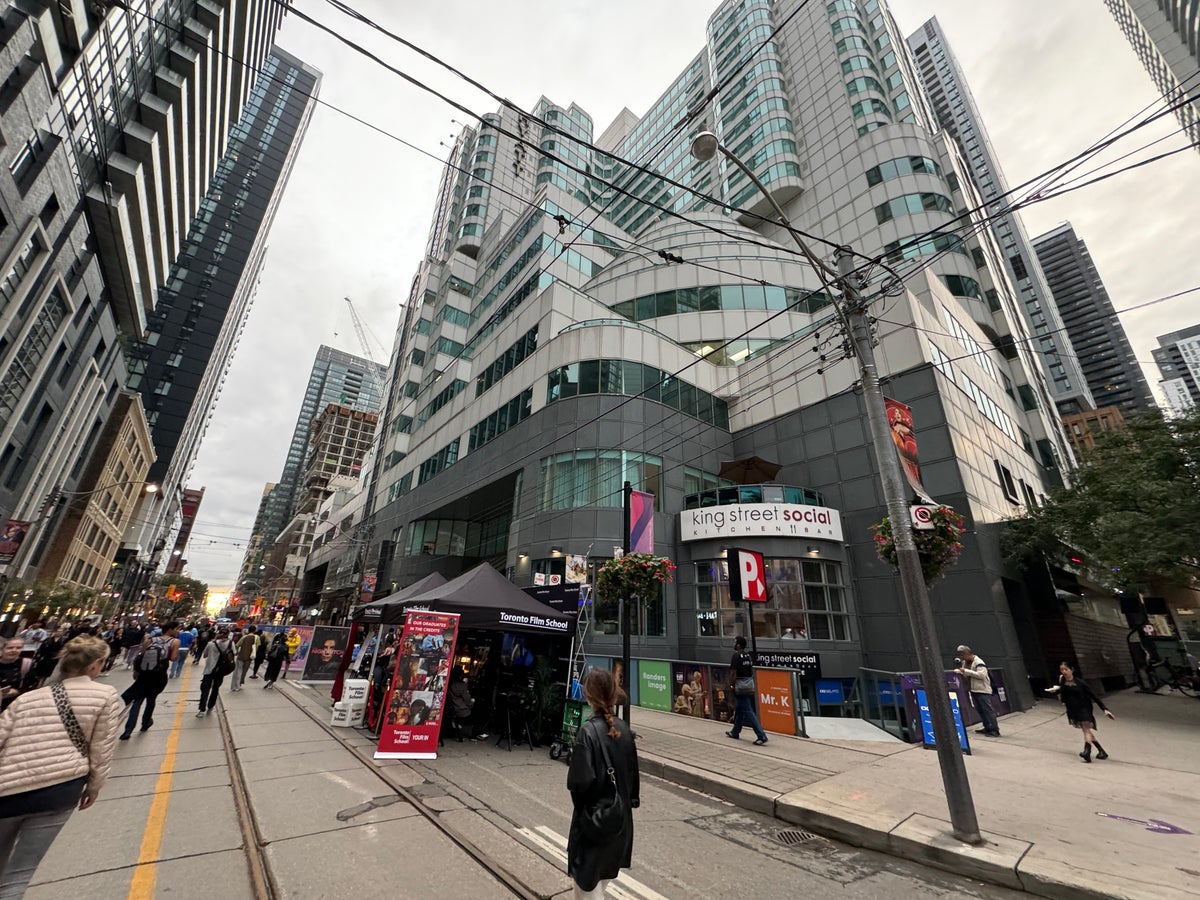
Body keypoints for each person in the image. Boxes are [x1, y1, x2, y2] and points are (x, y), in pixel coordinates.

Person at [0, 635, 122, 897]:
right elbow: (101, 746)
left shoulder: (26, 699)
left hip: (6, 791)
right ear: (94, 665)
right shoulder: (105, 695)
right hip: (58, 790)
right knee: (19, 874)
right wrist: (94, 786)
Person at [567, 668, 640, 899]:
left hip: (594, 827)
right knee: (598, 883)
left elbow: (579, 785)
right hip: (620, 825)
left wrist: (586, 815)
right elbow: (633, 780)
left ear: (588, 694)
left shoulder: (587, 732)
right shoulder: (624, 730)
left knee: (587, 887)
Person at [1046, 662, 1115, 763]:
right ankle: (1101, 751)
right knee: (1086, 730)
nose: (1064, 671)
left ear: (1071, 670)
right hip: (1073, 709)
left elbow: (1094, 695)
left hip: (1084, 708)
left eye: (1066, 669)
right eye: (1062, 669)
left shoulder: (1081, 683)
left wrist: (1104, 709)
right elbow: (1063, 691)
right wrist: (1055, 691)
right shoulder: (1063, 681)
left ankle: (1087, 751)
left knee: (1086, 730)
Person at [119, 623, 178, 740]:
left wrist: (136, 670)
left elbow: (140, 654)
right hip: (159, 674)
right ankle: (145, 723)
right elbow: (173, 658)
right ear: (170, 629)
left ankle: (128, 730)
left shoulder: (151, 639)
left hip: (145, 673)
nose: (177, 631)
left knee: (137, 700)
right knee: (151, 699)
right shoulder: (175, 642)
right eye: (176, 628)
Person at [726, 636, 767, 745]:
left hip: (740, 686)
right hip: (749, 684)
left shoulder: (736, 656)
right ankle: (735, 731)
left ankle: (761, 735)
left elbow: (733, 672)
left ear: (738, 645)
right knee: (739, 709)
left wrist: (731, 685)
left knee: (748, 710)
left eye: (735, 642)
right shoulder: (748, 656)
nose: (733, 644)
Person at [954, 644, 1000, 737]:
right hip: (973, 689)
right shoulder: (965, 663)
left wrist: (965, 671)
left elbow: (981, 675)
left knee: (988, 710)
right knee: (980, 710)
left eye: (963, 655)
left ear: (968, 653)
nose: (962, 657)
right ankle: (987, 726)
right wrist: (962, 673)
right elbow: (967, 675)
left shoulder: (978, 662)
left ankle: (994, 729)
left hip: (982, 690)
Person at [197, 628, 235, 718]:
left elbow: (204, 655)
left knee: (205, 690)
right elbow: (234, 654)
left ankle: (202, 710)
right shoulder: (231, 643)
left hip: (209, 670)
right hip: (221, 671)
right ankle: (210, 706)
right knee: (215, 689)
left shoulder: (211, 644)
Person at [0, 639, 34, 713]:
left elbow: (30, 686)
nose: (14, 650)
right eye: (10, 647)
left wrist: (16, 691)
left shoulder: (26, 664)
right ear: (2, 649)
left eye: (18, 648)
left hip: (10, 707)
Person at [231, 626, 257, 692]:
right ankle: (240, 684)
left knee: (238, 671)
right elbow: (257, 647)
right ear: (254, 631)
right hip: (249, 657)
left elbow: (237, 645)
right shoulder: (257, 638)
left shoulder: (244, 637)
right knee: (244, 671)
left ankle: (236, 686)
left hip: (241, 656)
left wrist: (236, 652)